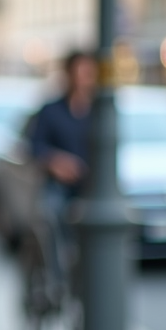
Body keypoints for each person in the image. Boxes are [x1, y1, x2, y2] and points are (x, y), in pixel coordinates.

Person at [28, 50, 97, 289]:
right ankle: (55, 279)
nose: (84, 78)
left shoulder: (100, 111)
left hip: (90, 187)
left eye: (88, 73)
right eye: (79, 72)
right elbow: (35, 146)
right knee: (53, 216)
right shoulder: (51, 110)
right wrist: (55, 162)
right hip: (58, 186)